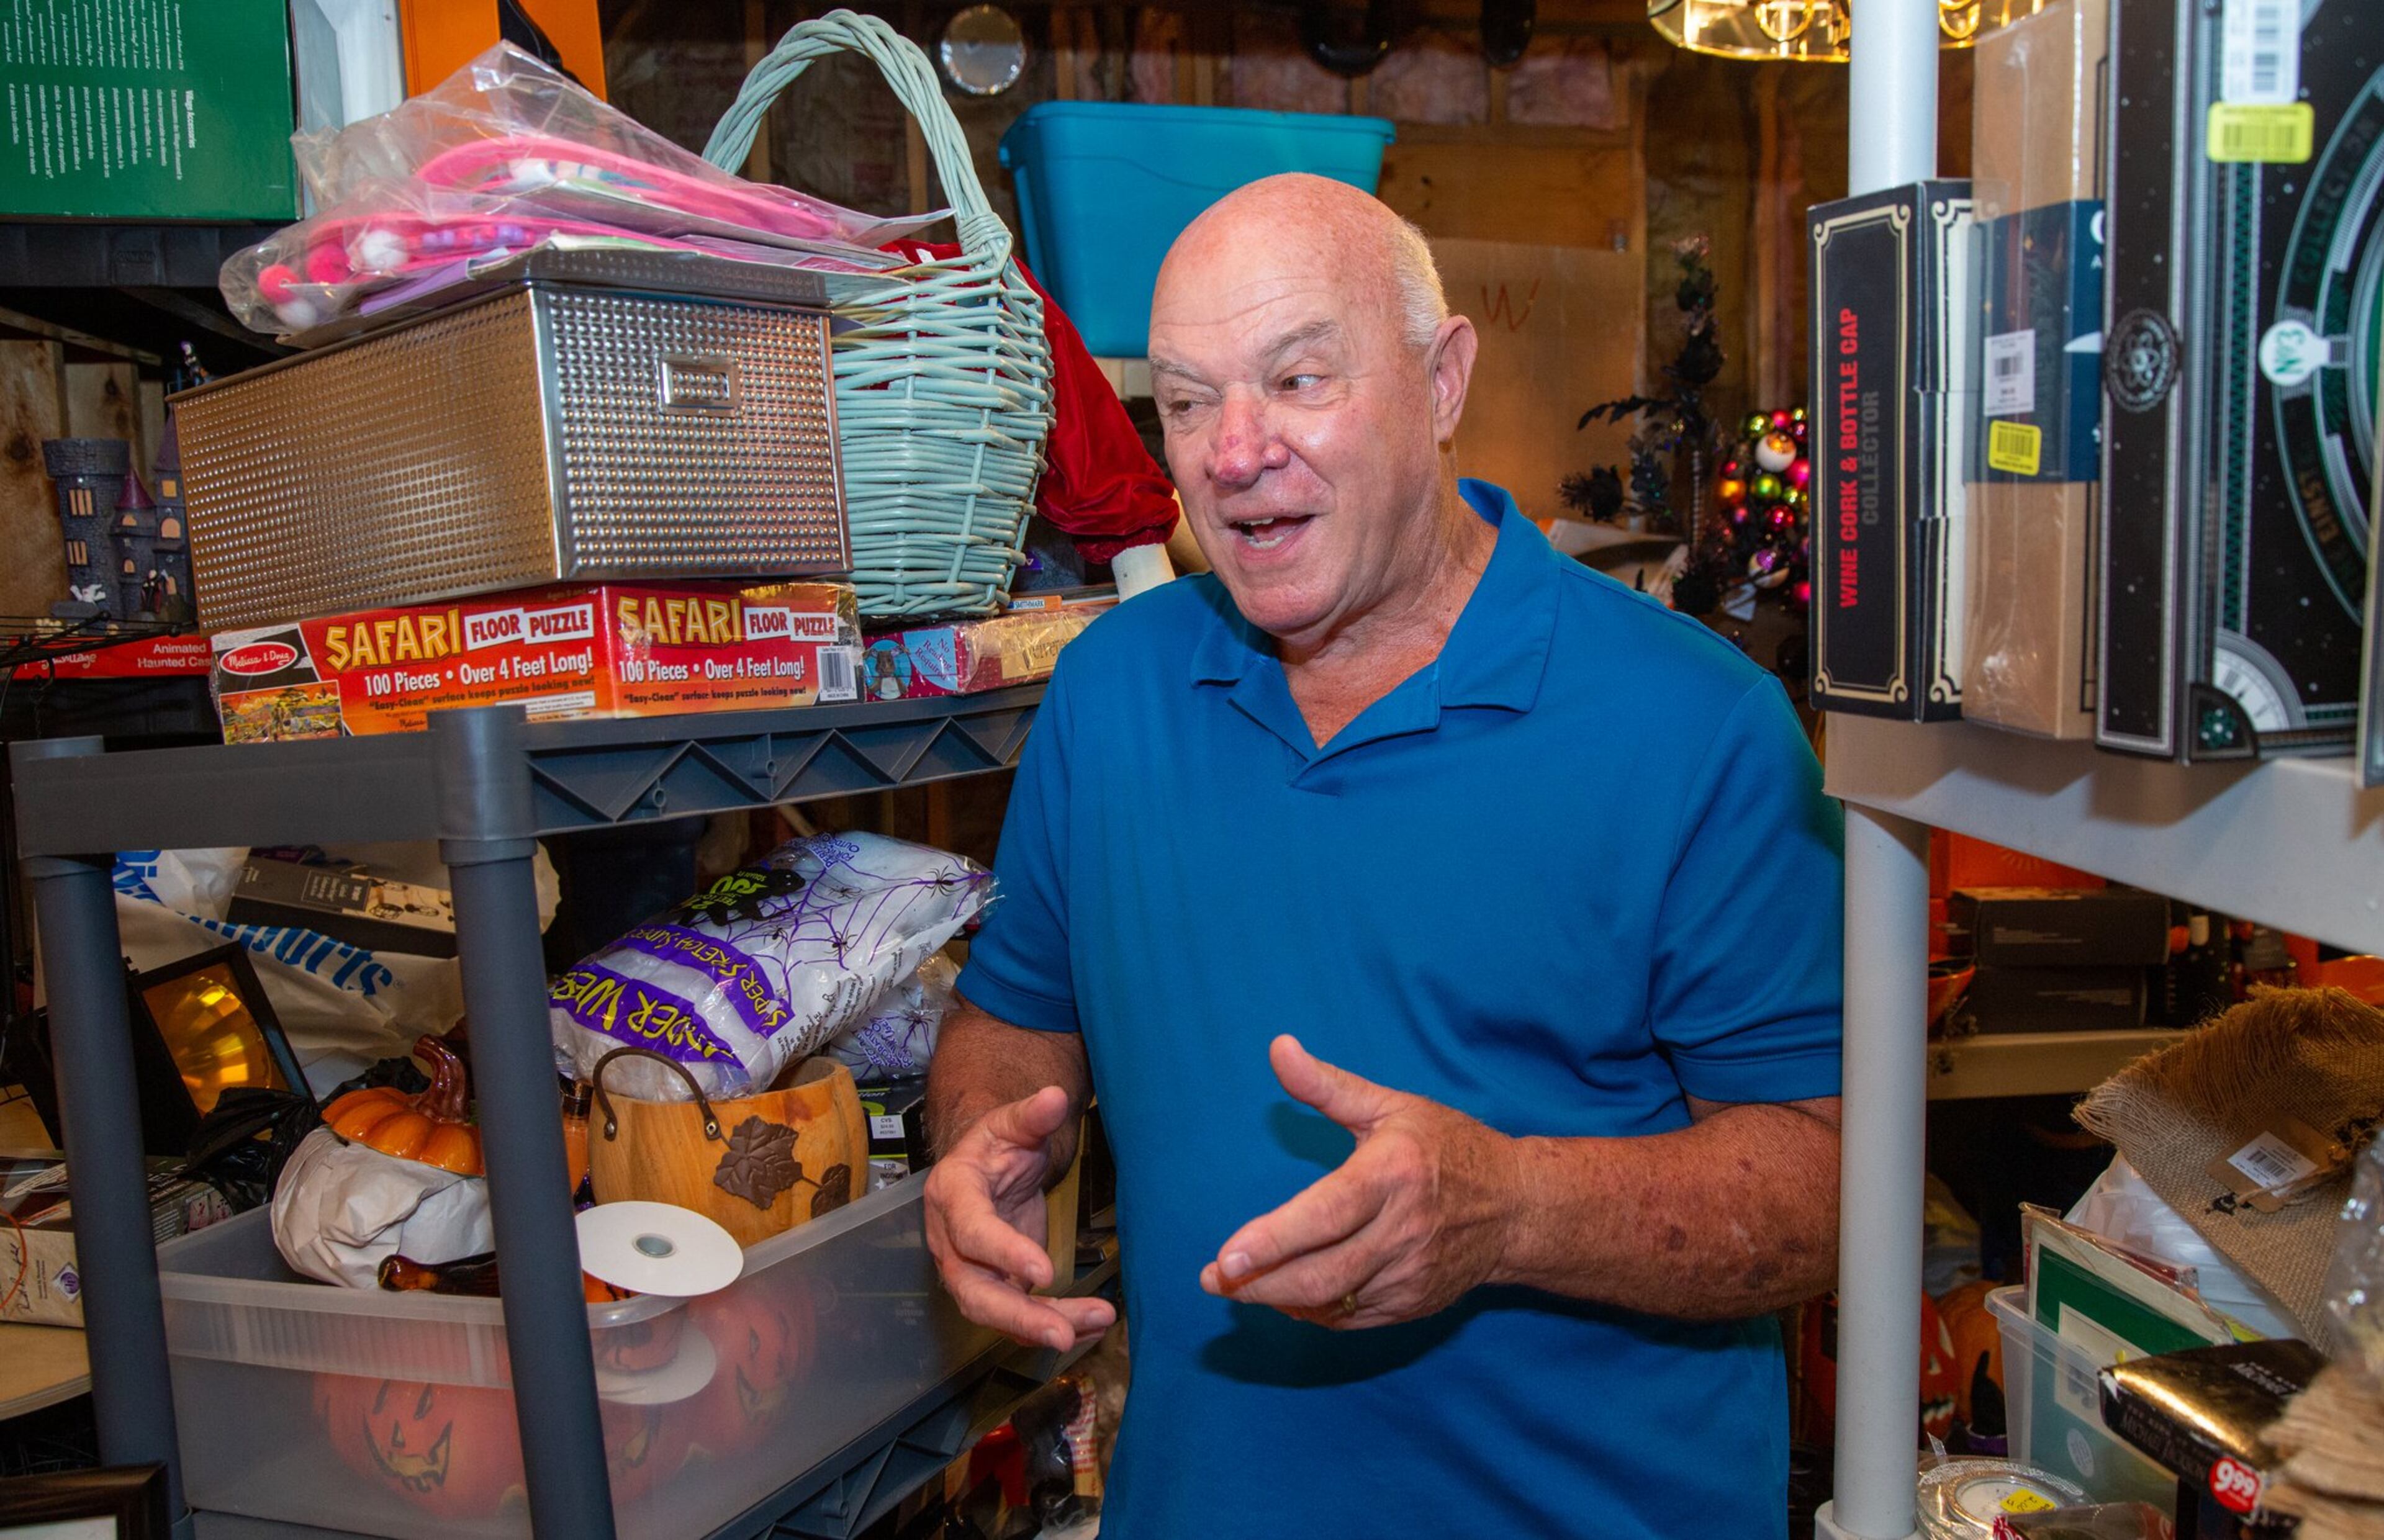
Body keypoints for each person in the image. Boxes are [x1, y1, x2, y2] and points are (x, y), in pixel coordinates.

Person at [923, 173, 1844, 1537]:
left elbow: (1836, 1184)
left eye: (1298, 380)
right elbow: (1017, 1017)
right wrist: (981, 1145)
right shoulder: (1110, 693)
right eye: (1185, 401)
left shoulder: (1696, 725)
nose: (1234, 452)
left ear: (1444, 378)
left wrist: (1516, 1208)